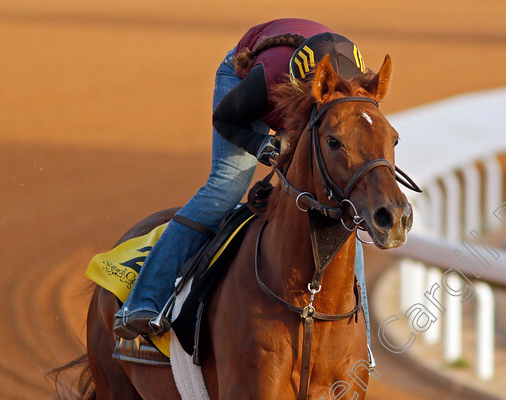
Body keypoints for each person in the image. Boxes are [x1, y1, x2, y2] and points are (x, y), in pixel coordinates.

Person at [114, 19, 372, 342]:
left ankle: (362, 342)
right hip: (244, 78)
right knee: (226, 187)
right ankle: (144, 299)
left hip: (312, 96)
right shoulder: (268, 84)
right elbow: (224, 118)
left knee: (344, 208)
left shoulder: (356, 91)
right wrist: (259, 144)